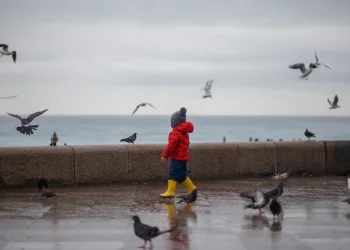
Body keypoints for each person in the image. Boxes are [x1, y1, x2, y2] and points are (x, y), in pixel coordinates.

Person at [160, 107, 197, 200]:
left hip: (177, 158)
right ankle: (192, 189)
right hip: (183, 158)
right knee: (182, 175)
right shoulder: (184, 132)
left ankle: (170, 192)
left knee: (172, 173)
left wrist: (165, 155)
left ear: (174, 122)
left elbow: (171, 145)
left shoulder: (175, 132)